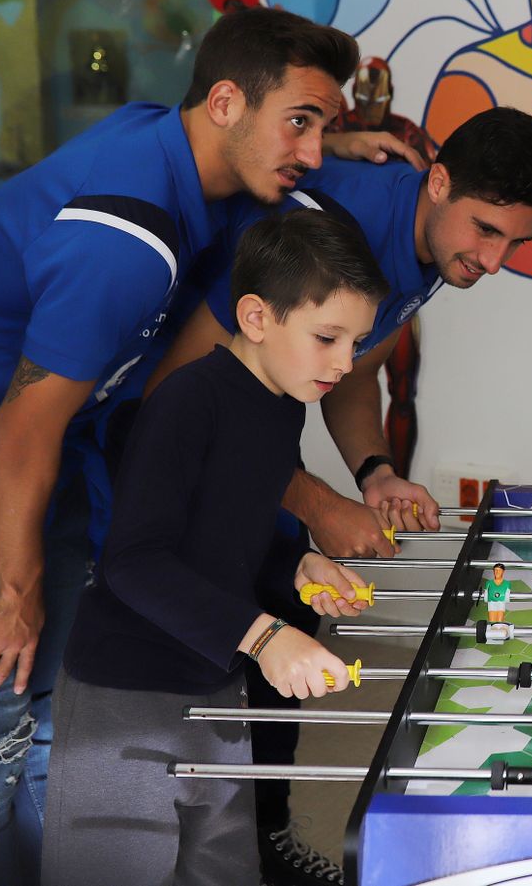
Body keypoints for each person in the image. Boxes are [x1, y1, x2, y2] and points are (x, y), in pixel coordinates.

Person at [0, 5, 360, 885]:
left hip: (54, 449)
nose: (314, 152)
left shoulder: (171, 144)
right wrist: (15, 589)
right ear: (228, 102)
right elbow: (20, 427)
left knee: (53, 733)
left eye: (328, 127)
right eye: (301, 122)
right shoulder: (126, 233)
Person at [142, 103, 532, 878]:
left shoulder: (433, 248)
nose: (496, 260)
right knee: (197, 657)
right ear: (436, 182)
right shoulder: (323, 227)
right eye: (485, 229)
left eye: (515, 240)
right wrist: (311, 501)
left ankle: (264, 842)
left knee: (286, 611)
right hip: (158, 473)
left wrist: (373, 472)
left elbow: (356, 371)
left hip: (254, 454)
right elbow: (180, 396)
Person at [41, 209, 384, 884]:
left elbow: (227, 535)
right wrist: (263, 636)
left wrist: (297, 563)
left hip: (214, 685)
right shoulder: (187, 401)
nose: (346, 363)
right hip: (127, 695)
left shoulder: (282, 403)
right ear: (256, 317)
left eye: (358, 342)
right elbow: (134, 562)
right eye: (328, 337)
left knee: (223, 867)